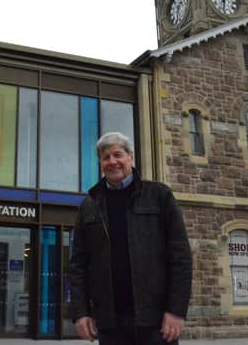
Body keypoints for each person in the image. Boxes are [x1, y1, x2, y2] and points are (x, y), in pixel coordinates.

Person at [69, 132, 192, 345]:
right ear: (100, 163)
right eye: (106, 157)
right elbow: (78, 265)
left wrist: (176, 310)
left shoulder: (159, 196)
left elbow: (181, 258)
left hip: (156, 320)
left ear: (130, 158)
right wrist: (81, 313)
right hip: (110, 322)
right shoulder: (89, 205)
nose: (112, 162)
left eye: (118, 155)